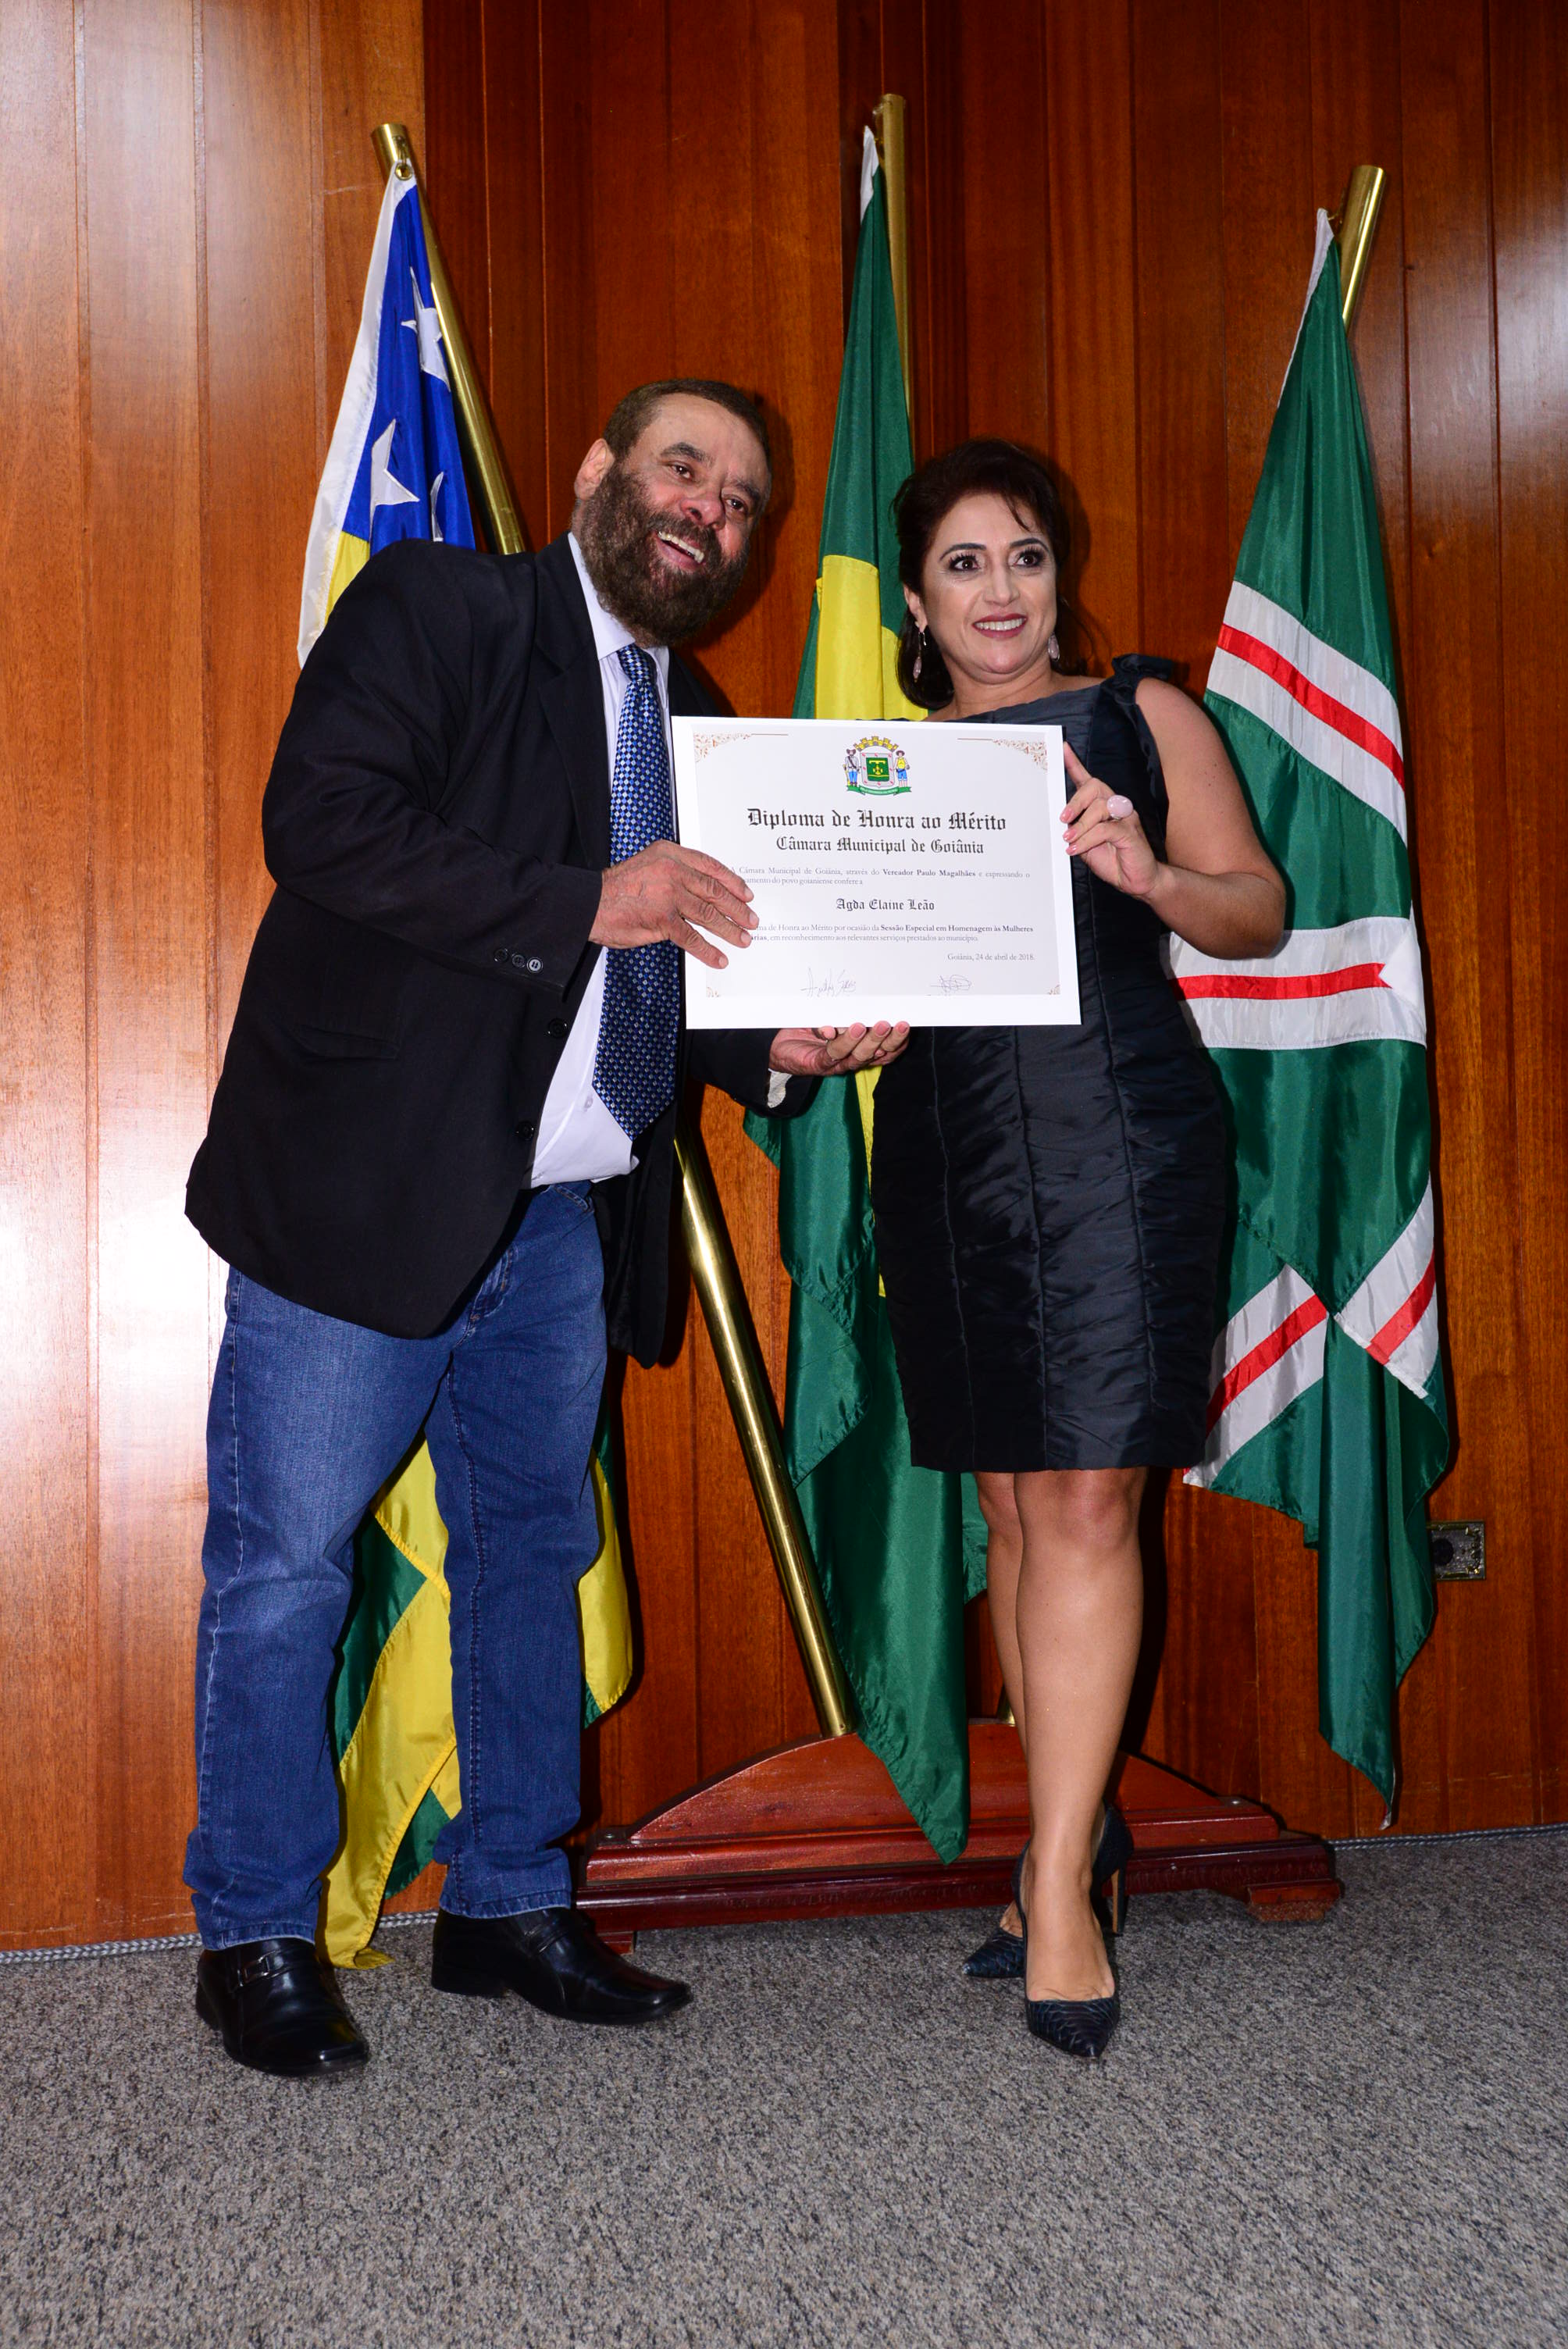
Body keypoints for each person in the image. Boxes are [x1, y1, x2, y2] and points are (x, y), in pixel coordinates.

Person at [183, 378, 908, 2078]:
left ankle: (508, 1900)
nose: (708, 511)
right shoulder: (441, 609)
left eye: (739, 500)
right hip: (363, 1195)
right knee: (284, 1568)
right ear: (598, 472)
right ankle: (254, 1930)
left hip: (567, 1215)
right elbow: (323, 824)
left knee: (530, 1557)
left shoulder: (698, 715)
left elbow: (678, 961)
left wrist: (778, 1051)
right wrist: (594, 898)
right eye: (683, 469)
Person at [869, 439, 1283, 2061]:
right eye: (963, 564)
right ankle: (1073, 1838)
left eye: (1025, 556)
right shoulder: (877, 771)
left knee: (1091, 1495)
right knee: (1007, 1508)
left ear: (1061, 574)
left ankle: (1051, 1888)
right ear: (915, 603)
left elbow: (1255, 908)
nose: (1000, 591)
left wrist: (1146, 871)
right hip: (950, 1146)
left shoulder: (1140, 714)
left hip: (1119, 1131)